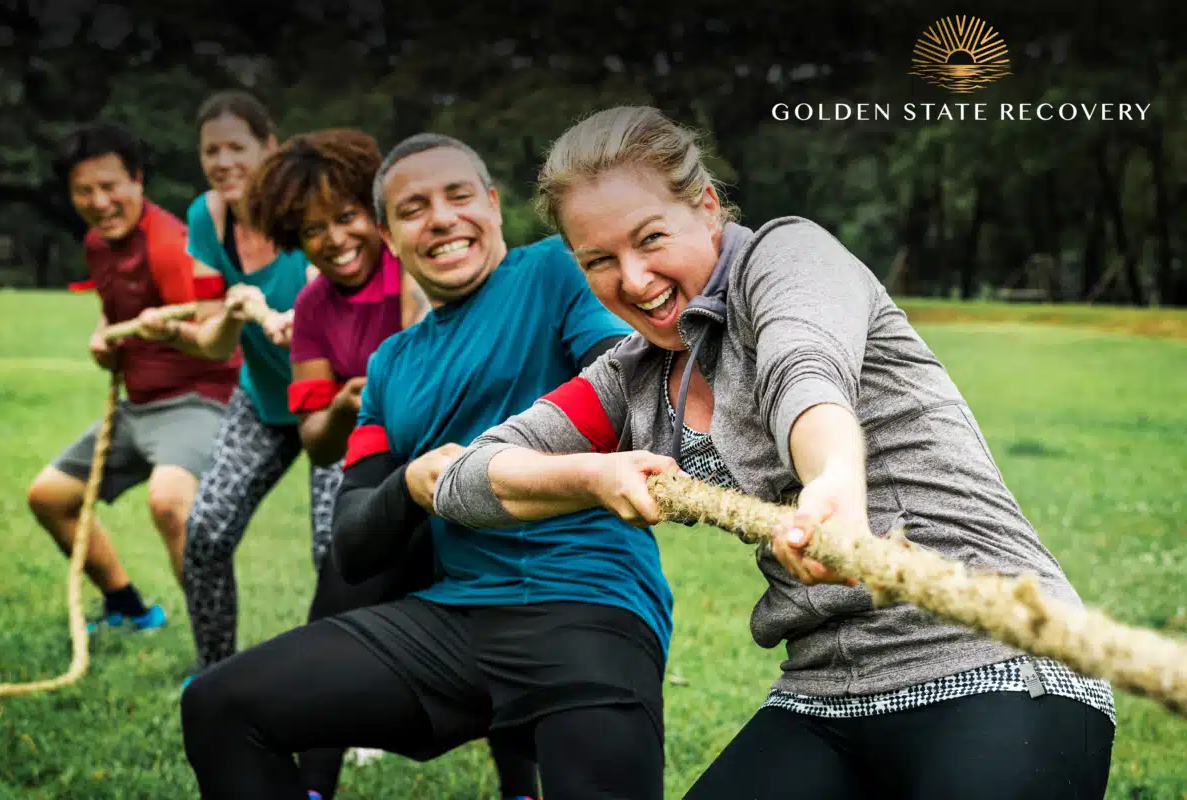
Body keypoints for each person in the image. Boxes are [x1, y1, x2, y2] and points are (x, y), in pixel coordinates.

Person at [432, 106, 1118, 799]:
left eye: (650, 239)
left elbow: (805, 373)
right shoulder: (630, 376)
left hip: (993, 659)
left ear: (706, 209)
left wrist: (834, 487)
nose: (634, 281)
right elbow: (468, 479)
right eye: (600, 261)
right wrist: (593, 473)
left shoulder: (788, 258)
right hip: (822, 696)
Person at [181, 133, 671, 800]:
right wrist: (410, 484)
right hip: (453, 622)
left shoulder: (555, 273)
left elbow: (630, 385)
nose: (441, 218)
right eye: (413, 209)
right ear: (389, 233)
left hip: (585, 606)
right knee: (217, 706)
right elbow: (353, 542)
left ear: (494, 206)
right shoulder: (389, 366)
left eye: (458, 196)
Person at [240, 126, 534, 800]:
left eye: (346, 218)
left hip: (472, 476)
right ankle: (313, 786)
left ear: (376, 220)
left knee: (501, 622)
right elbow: (316, 440)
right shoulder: (314, 307)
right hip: (386, 484)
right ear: (294, 239)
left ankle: (523, 786)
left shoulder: (423, 263)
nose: (336, 240)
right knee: (334, 617)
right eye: (312, 231)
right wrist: (350, 404)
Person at [133, 89, 322, 675]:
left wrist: (304, 324)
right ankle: (215, 674)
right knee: (206, 533)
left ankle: (355, 700)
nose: (223, 163)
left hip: (333, 402)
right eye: (211, 151)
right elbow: (215, 342)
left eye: (237, 148)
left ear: (270, 147)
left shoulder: (307, 207)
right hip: (264, 400)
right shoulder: (206, 217)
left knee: (337, 552)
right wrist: (226, 320)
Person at [25, 120, 239, 634]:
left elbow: (217, 336)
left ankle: (218, 654)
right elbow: (118, 308)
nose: (99, 201)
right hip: (137, 406)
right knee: (49, 497)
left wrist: (162, 332)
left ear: (138, 180)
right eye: (84, 191)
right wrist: (107, 334)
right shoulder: (99, 245)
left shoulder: (172, 245)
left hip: (197, 399)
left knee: (169, 500)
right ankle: (129, 608)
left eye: (110, 186)